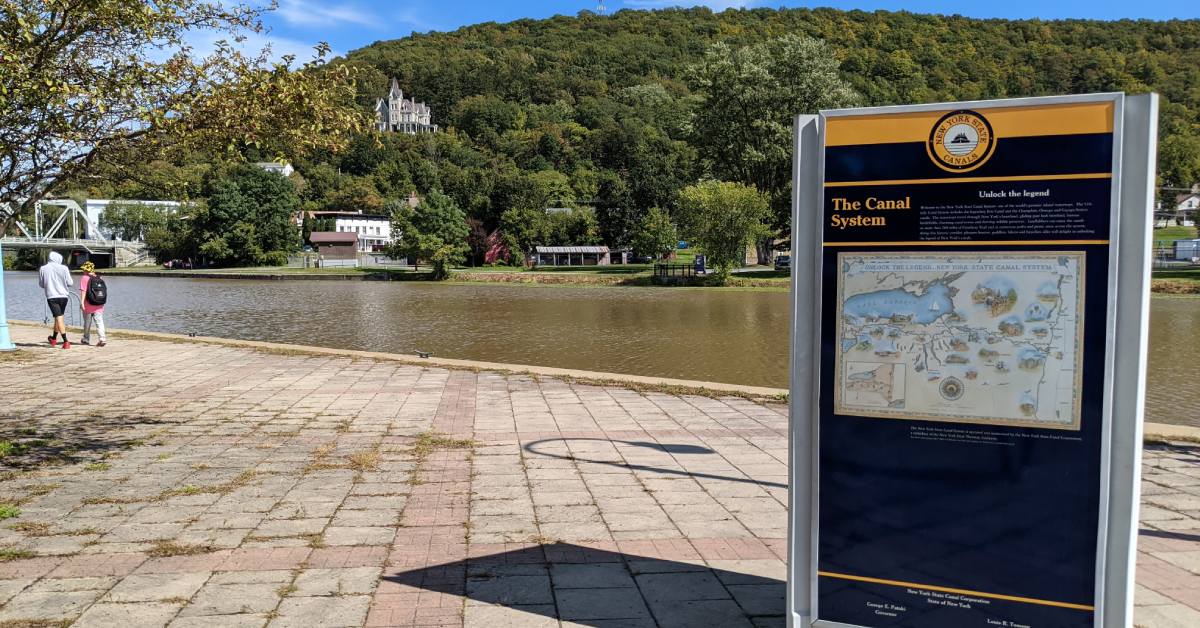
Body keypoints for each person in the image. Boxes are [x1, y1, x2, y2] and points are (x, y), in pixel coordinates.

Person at [38, 251, 73, 349]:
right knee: (58, 317)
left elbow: (41, 284)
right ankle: (53, 338)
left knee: (59, 318)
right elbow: (70, 283)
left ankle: (66, 341)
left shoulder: (43, 268)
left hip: (52, 296)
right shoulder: (64, 268)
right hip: (64, 296)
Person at [79, 262, 107, 347]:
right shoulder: (99, 277)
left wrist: (82, 302)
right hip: (99, 304)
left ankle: (86, 339)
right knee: (99, 322)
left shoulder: (84, 278)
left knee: (87, 323)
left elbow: (83, 291)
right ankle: (102, 339)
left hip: (88, 304)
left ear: (86, 270)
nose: (83, 271)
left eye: (83, 269)